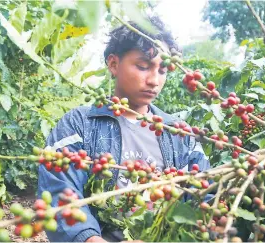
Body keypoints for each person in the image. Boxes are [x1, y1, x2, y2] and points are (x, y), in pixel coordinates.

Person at [37, 16, 210, 242]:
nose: (154, 81)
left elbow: (206, 193)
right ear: (113, 64)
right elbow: (60, 194)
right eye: (143, 66)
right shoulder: (79, 124)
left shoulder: (179, 134)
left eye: (162, 71)